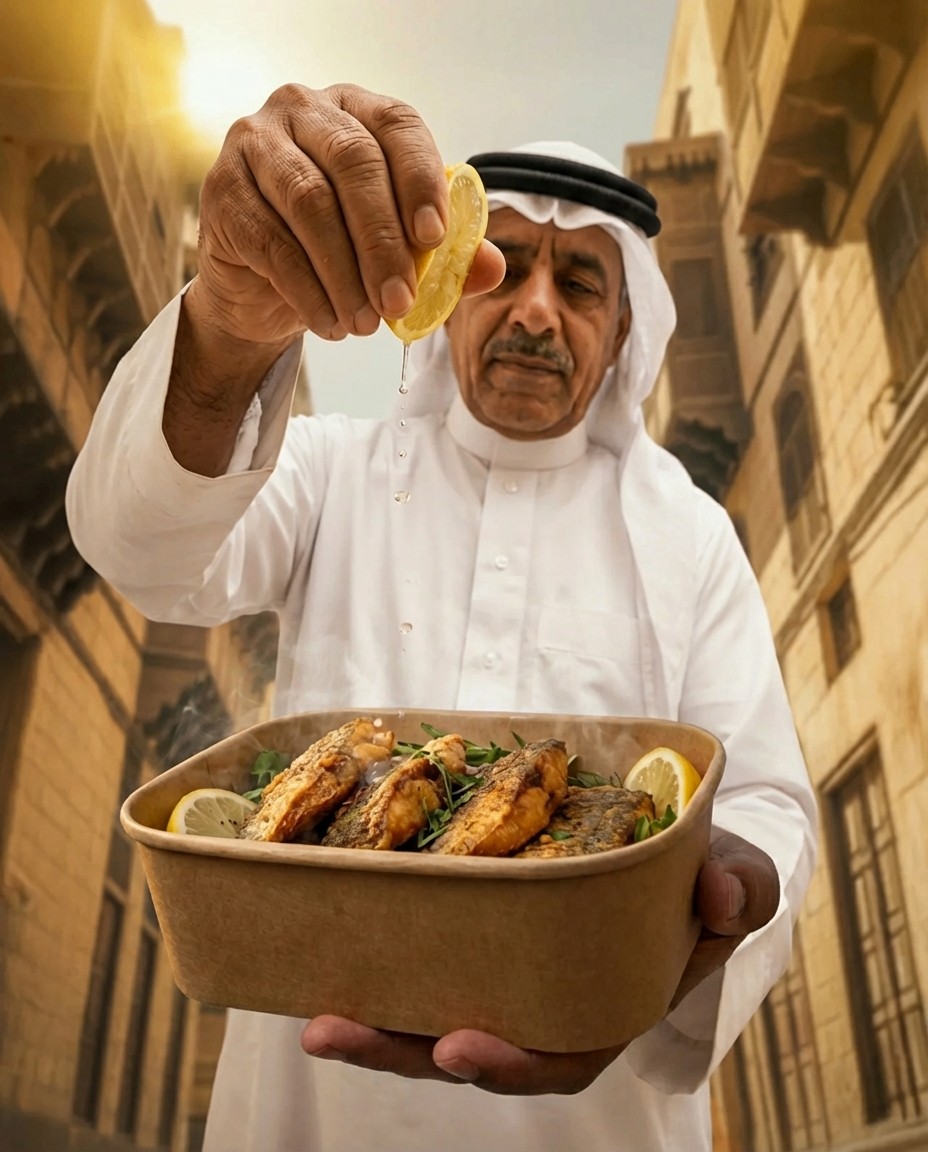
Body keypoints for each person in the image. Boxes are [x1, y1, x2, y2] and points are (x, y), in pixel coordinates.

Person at [66, 83, 817, 1151]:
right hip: (306, 1111)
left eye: (582, 282)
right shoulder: (330, 470)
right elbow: (139, 547)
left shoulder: (690, 533)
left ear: (622, 328)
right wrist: (231, 322)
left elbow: (768, 806)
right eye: (504, 267)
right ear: (447, 288)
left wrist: (700, 921)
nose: (536, 310)